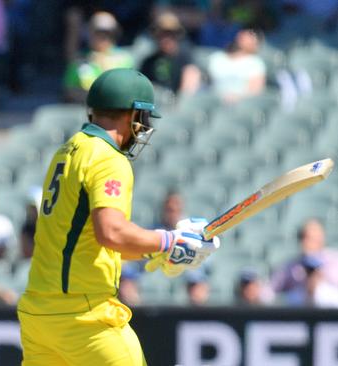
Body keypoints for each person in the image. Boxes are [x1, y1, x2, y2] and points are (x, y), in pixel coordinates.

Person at [17, 68, 220, 365]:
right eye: (143, 117)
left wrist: (154, 250)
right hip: (84, 318)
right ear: (131, 114)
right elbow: (110, 232)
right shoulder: (108, 158)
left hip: (38, 314)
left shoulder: (68, 150)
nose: (144, 126)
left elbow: (84, 240)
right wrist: (168, 240)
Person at [63, 11, 135, 103]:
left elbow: (128, 90)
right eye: (99, 31)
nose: (103, 36)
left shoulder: (124, 58)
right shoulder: (79, 60)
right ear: (89, 31)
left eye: (109, 32)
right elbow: (69, 90)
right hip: (83, 109)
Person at [271, 218, 338, 306]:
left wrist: (320, 278)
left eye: (312, 237)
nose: (306, 242)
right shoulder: (292, 265)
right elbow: (271, 291)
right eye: (304, 237)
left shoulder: (333, 260)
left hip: (331, 313)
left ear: (321, 238)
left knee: (321, 292)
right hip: (299, 312)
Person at [140, 12, 201, 95]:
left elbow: (190, 86)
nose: (166, 38)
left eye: (171, 34)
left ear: (178, 35)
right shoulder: (148, 62)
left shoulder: (186, 58)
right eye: (162, 34)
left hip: (178, 103)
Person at [207, 28, 266, 104]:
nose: (245, 36)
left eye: (251, 35)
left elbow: (255, 91)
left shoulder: (256, 63)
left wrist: (236, 98)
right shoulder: (217, 57)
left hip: (240, 105)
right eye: (244, 33)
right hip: (213, 101)